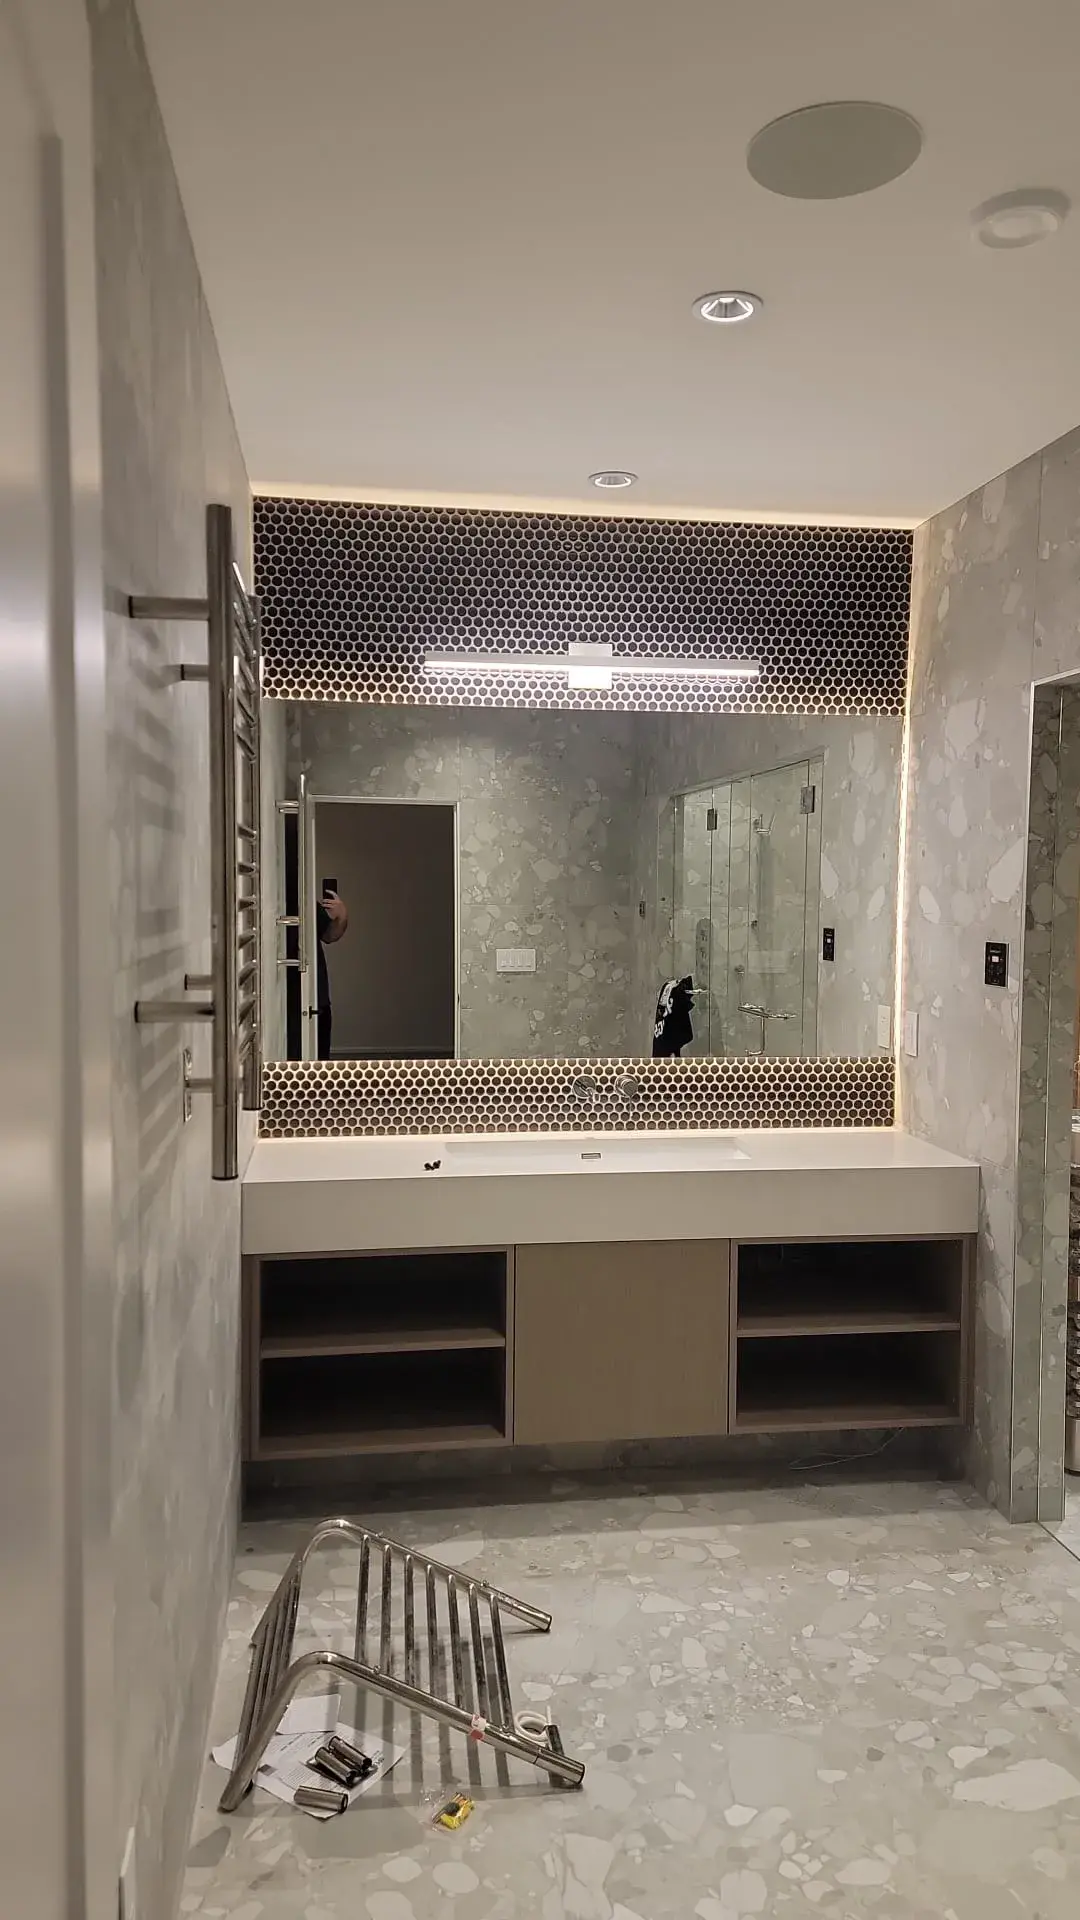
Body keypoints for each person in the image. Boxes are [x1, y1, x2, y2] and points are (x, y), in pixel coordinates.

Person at [315, 888, 348, 1059]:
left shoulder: (306, 904)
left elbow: (329, 936)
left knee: (319, 1063)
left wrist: (341, 916)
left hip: (315, 999)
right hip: (279, 995)